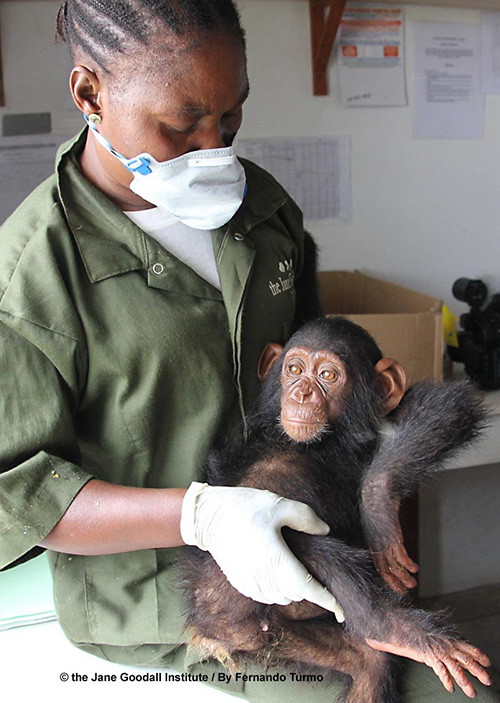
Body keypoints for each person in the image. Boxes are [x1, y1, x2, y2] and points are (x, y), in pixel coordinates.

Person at [0, 2, 497, 701]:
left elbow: (324, 392)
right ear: (89, 94)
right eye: (182, 124)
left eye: (231, 117)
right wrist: (202, 515)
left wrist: (380, 481)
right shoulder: (31, 276)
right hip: (169, 604)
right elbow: (15, 493)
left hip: (310, 550)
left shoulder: (261, 210)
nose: (214, 147)